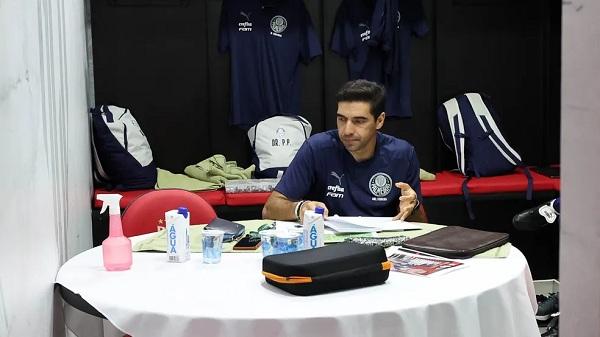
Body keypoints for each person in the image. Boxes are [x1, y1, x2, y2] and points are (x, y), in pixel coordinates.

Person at [262, 79, 427, 223]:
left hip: (381, 247)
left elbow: (422, 224)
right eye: (341, 119)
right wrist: (300, 208)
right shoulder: (316, 148)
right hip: (329, 247)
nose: (347, 130)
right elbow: (269, 210)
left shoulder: (402, 154)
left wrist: (413, 207)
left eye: (359, 121)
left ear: (380, 120)